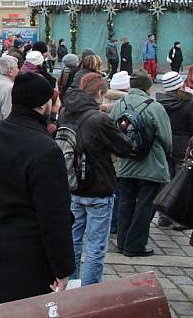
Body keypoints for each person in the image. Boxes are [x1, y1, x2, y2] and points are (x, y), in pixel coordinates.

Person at [0, 72, 75, 304]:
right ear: (43, 105)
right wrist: (63, 268)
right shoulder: (46, 149)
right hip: (31, 254)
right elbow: (54, 215)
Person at [60, 73, 133, 286]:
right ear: (100, 94)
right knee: (95, 246)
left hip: (72, 183)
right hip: (98, 186)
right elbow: (124, 147)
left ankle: (72, 285)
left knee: (73, 241)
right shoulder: (100, 120)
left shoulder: (66, 112)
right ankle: (89, 291)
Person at [110, 69, 172, 257]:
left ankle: (121, 242)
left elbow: (112, 130)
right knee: (145, 205)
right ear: (148, 86)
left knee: (125, 202)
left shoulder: (120, 104)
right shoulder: (154, 107)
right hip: (151, 164)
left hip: (125, 162)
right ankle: (135, 245)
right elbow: (166, 139)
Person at [155, 70, 193, 228]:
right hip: (183, 146)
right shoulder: (188, 101)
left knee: (165, 179)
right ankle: (178, 217)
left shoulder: (159, 101)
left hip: (164, 144)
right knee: (182, 182)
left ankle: (163, 215)